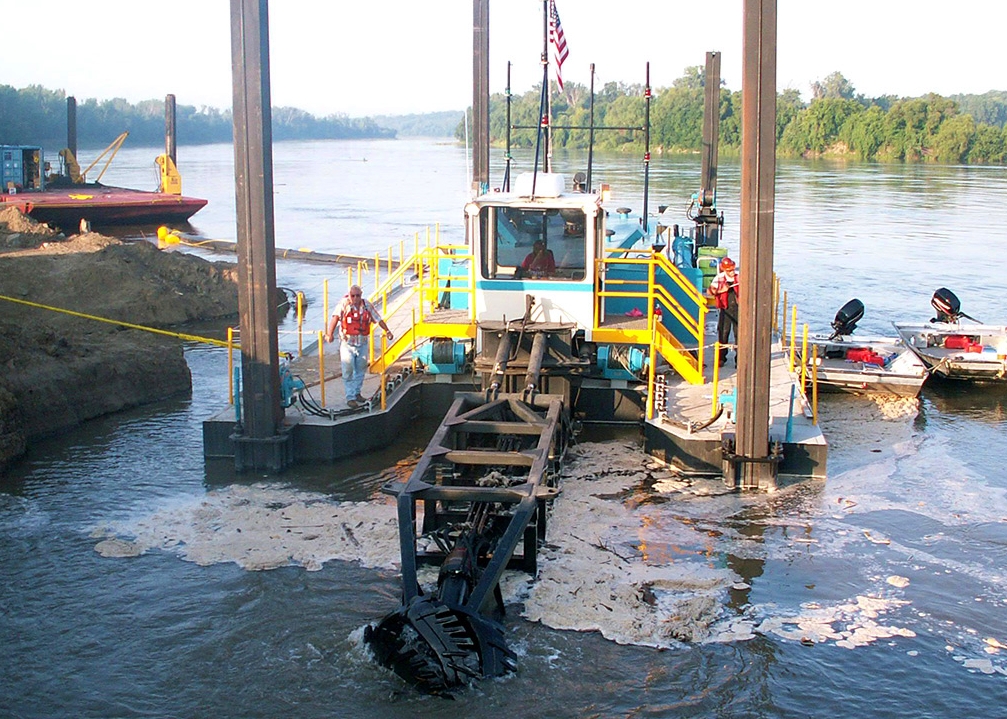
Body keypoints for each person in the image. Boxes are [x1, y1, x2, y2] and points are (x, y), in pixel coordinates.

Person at [324, 285, 393, 407]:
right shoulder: (343, 305)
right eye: (353, 295)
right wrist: (329, 334)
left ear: (361, 295)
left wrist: (387, 331)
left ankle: (357, 393)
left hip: (362, 343)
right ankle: (350, 397)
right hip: (347, 344)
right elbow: (335, 318)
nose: (355, 298)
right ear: (349, 295)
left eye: (358, 295)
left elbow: (378, 319)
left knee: (361, 369)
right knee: (348, 369)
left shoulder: (367, 305)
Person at [707, 256, 739, 365]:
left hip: (738, 309)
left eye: (733, 269)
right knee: (723, 333)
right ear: (725, 270)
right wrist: (721, 290)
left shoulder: (739, 277)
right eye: (730, 270)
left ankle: (738, 359)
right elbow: (710, 291)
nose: (732, 272)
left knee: (738, 334)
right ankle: (721, 358)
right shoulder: (719, 278)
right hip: (725, 309)